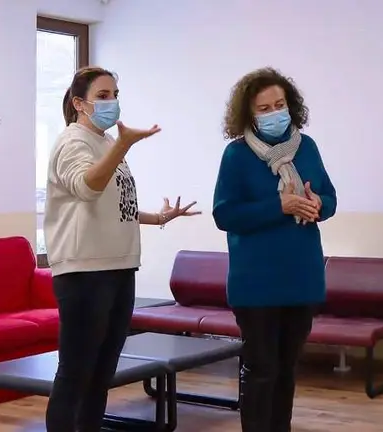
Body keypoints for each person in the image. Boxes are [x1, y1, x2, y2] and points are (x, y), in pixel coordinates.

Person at [43, 66, 200, 432]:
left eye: (114, 94)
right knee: (76, 372)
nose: (111, 102)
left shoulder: (104, 142)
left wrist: (159, 218)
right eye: (102, 95)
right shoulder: (73, 141)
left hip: (119, 266)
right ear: (79, 103)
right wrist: (123, 143)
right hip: (85, 271)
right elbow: (87, 187)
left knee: (101, 374)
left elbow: (116, 205)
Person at [212, 67, 337, 432]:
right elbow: (225, 214)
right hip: (256, 284)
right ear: (249, 114)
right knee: (261, 369)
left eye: (279, 104)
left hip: (302, 278)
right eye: (264, 108)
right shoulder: (236, 155)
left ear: (291, 105)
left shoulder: (307, 146)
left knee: (285, 369)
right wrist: (278, 207)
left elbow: (328, 197)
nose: (274, 113)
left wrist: (318, 204)